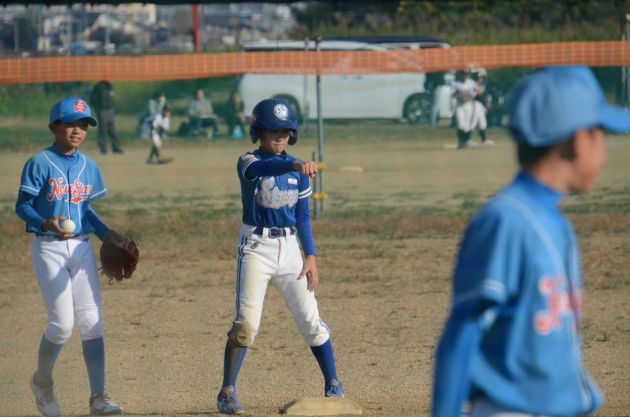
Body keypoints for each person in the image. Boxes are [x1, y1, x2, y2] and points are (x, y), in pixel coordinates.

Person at [431, 66, 630, 417]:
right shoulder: (505, 221)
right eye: (601, 135)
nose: (605, 150)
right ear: (578, 140)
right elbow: (462, 334)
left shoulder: (556, 223)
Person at [216, 98, 345, 415]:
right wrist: (293, 165)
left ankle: (333, 384)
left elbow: (302, 217)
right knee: (247, 323)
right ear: (258, 132)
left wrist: (310, 255)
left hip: (290, 250)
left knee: (311, 320)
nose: (280, 137)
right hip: (256, 247)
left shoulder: (297, 170)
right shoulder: (248, 161)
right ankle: (227, 392)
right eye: (273, 131)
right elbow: (262, 169)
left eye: (285, 132)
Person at [15, 98, 124, 417]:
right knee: (62, 324)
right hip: (49, 247)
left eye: (84, 125)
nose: (77, 130)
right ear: (54, 127)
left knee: (91, 321)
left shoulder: (89, 167)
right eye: (70, 124)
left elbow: (85, 211)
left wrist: (108, 234)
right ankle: (42, 382)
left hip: (81, 247)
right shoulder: (39, 162)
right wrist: (43, 222)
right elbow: (22, 206)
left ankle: (99, 397)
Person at [449, 71, 489, 149]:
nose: (465, 76)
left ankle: (465, 141)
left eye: (466, 74)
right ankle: (461, 142)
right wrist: (459, 95)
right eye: (463, 74)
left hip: (469, 104)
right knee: (460, 124)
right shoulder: (455, 83)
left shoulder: (471, 83)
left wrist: (472, 93)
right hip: (460, 104)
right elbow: (452, 94)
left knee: (467, 125)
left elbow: (477, 91)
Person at [90, 81, 123, 154]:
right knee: (103, 130)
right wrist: (98, 108)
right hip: (102, 110)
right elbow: (93, 99)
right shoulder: (98, 87)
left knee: (112, 130)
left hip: (110, 110)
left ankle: (116, 147)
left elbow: (112, 99)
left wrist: (114, 109)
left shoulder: (110, 86)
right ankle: (103, 149)